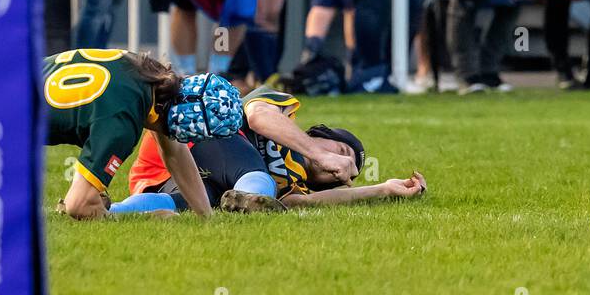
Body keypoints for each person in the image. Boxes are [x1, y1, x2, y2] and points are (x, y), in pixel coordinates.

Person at [120, 86, 425, 213]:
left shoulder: (296, 186)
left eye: (346, 171)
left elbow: (302, 203)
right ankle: (250, 196)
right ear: (320, 135)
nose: (341, 165)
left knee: (185, 203)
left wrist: (384, 189)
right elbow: (255, 115)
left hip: (177, 177)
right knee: (253, 171)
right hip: (185, 139)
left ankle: (108, 211)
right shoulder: (283, 108)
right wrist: (322, 155)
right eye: (342, 151)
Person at [45, 48, 241, 220]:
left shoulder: (147, 75)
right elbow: (77, 205)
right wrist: (145, 217)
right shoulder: (123, 123)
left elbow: (175, 153)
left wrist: (207, 216)